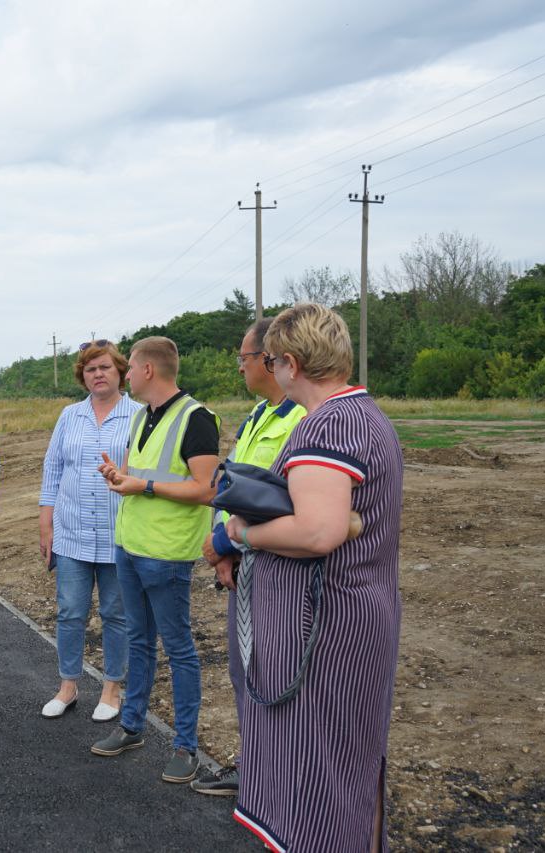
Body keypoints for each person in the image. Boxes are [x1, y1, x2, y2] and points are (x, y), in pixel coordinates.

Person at [224, 303, 403, 851]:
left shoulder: (329, 424)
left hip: (323, 631)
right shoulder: (363, 414)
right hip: (350, 616)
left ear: (292, 364)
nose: (272, 371)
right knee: (345, 762)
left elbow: (319, 532)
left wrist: (244, 535)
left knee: (319, 770)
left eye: (273, 360)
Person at [91, 336, 219, 786]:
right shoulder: (142, 416)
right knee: (140, 643)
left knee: (179, 649)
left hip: (166, 554)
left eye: (130, 369)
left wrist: (141, 487)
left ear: (147, 370)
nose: (124, 376)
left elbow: (207, 488)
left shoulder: (196, 418)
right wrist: (120, 477)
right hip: (130, 546)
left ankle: (185, 747)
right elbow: (140, 475)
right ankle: (132, 726)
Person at [191, 318, 305, 798]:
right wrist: (222, 548)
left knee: (277, 672)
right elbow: (232, 485)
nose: (239, 366)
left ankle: (282, 778)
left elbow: (287, 504)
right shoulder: (259, 414)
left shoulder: (303, 419)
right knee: (245, 670)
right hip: (242, 565)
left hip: (277, 568)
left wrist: (227, 543)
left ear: (271, 359)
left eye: (244, 357)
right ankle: (255, 768)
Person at [37, 340, 140, 721]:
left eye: (105, 368)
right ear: (83, 376)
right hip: (72, 534)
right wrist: (46, 525)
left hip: (119, 536)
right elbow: (53, 471)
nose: (97, 374)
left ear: (120, 372)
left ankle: (112, 689)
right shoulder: (69, 416)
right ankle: (68, 685)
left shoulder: (139, 415)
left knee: (116, 614)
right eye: (90, 369)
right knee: (70, 612)